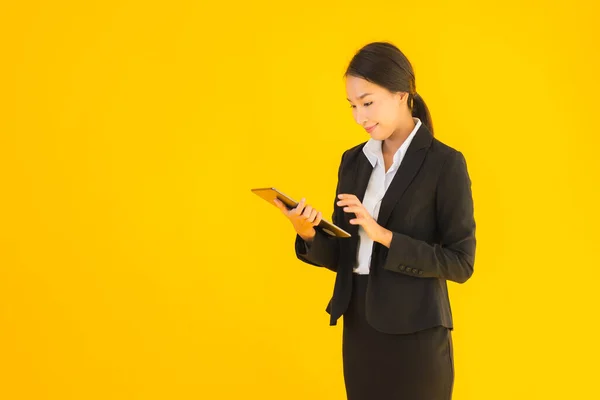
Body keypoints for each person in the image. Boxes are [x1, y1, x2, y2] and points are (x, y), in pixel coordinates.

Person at [273, 41, 476, 400]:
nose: (359, 117)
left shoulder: (445, 164)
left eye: (368, 103)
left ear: (402, 94)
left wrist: (383, 235)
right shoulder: (353, 161)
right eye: (352, 106)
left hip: (417, 337)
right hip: (360, 328)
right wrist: (307, 232)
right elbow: (343, 256)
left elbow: (460, 263)